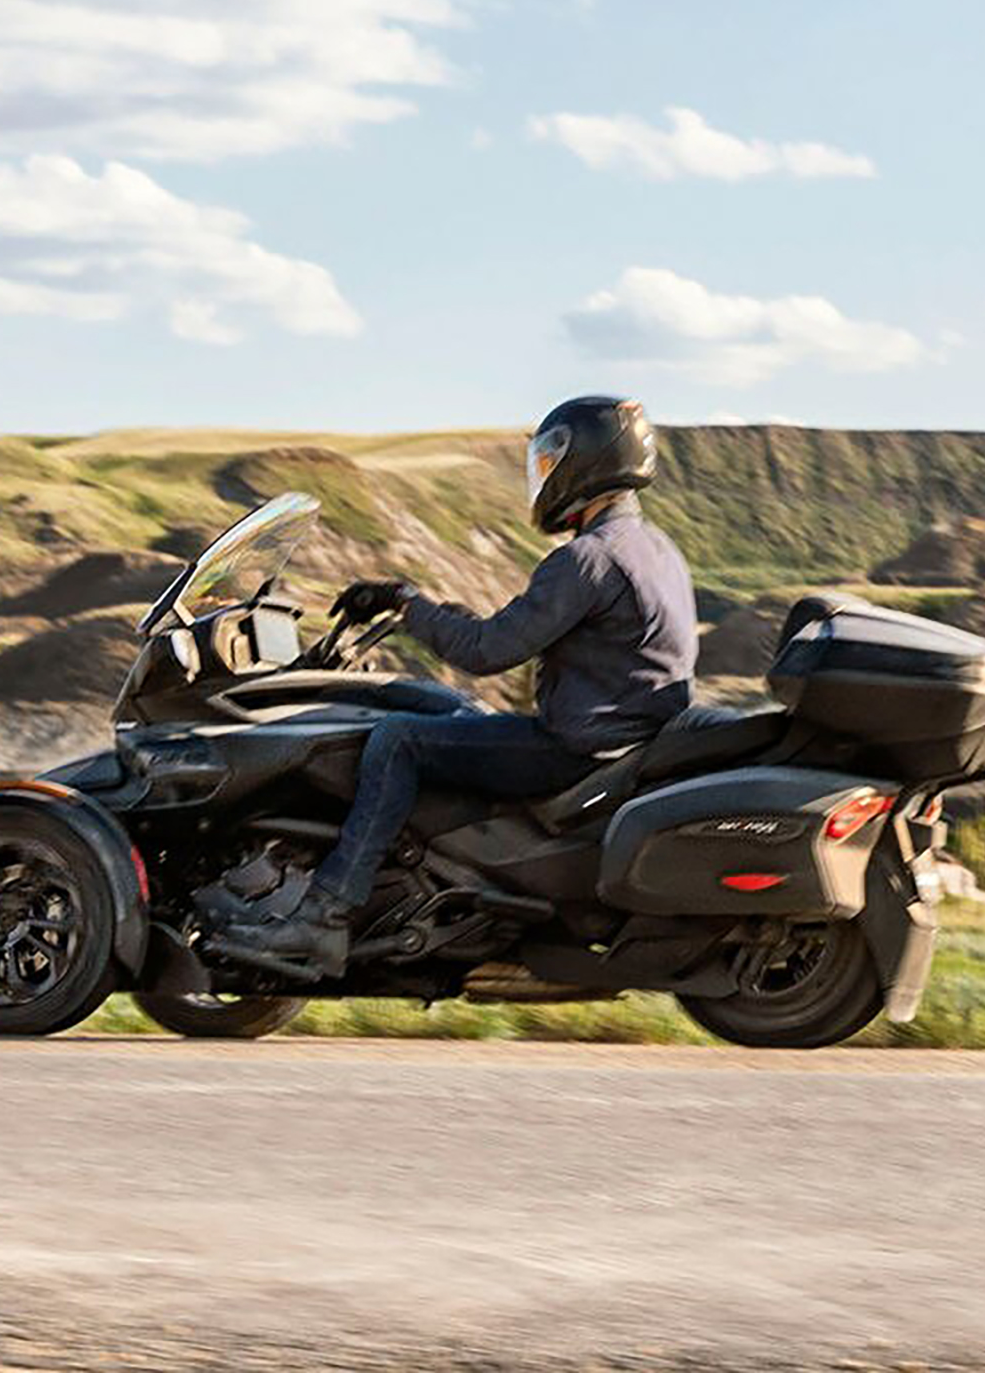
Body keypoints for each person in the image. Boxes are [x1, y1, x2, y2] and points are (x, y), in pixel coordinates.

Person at [221, 395, 697, 975]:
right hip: (627, 738)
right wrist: (417, 608)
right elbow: (510, 629)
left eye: (551, 463)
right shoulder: (656, 548)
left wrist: (404, 602)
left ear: (588, 462)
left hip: (577, 749)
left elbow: (486, 651)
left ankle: (325, 914)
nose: (543, 477)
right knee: (424, 699)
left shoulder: (587, 560)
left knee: (397, 738)